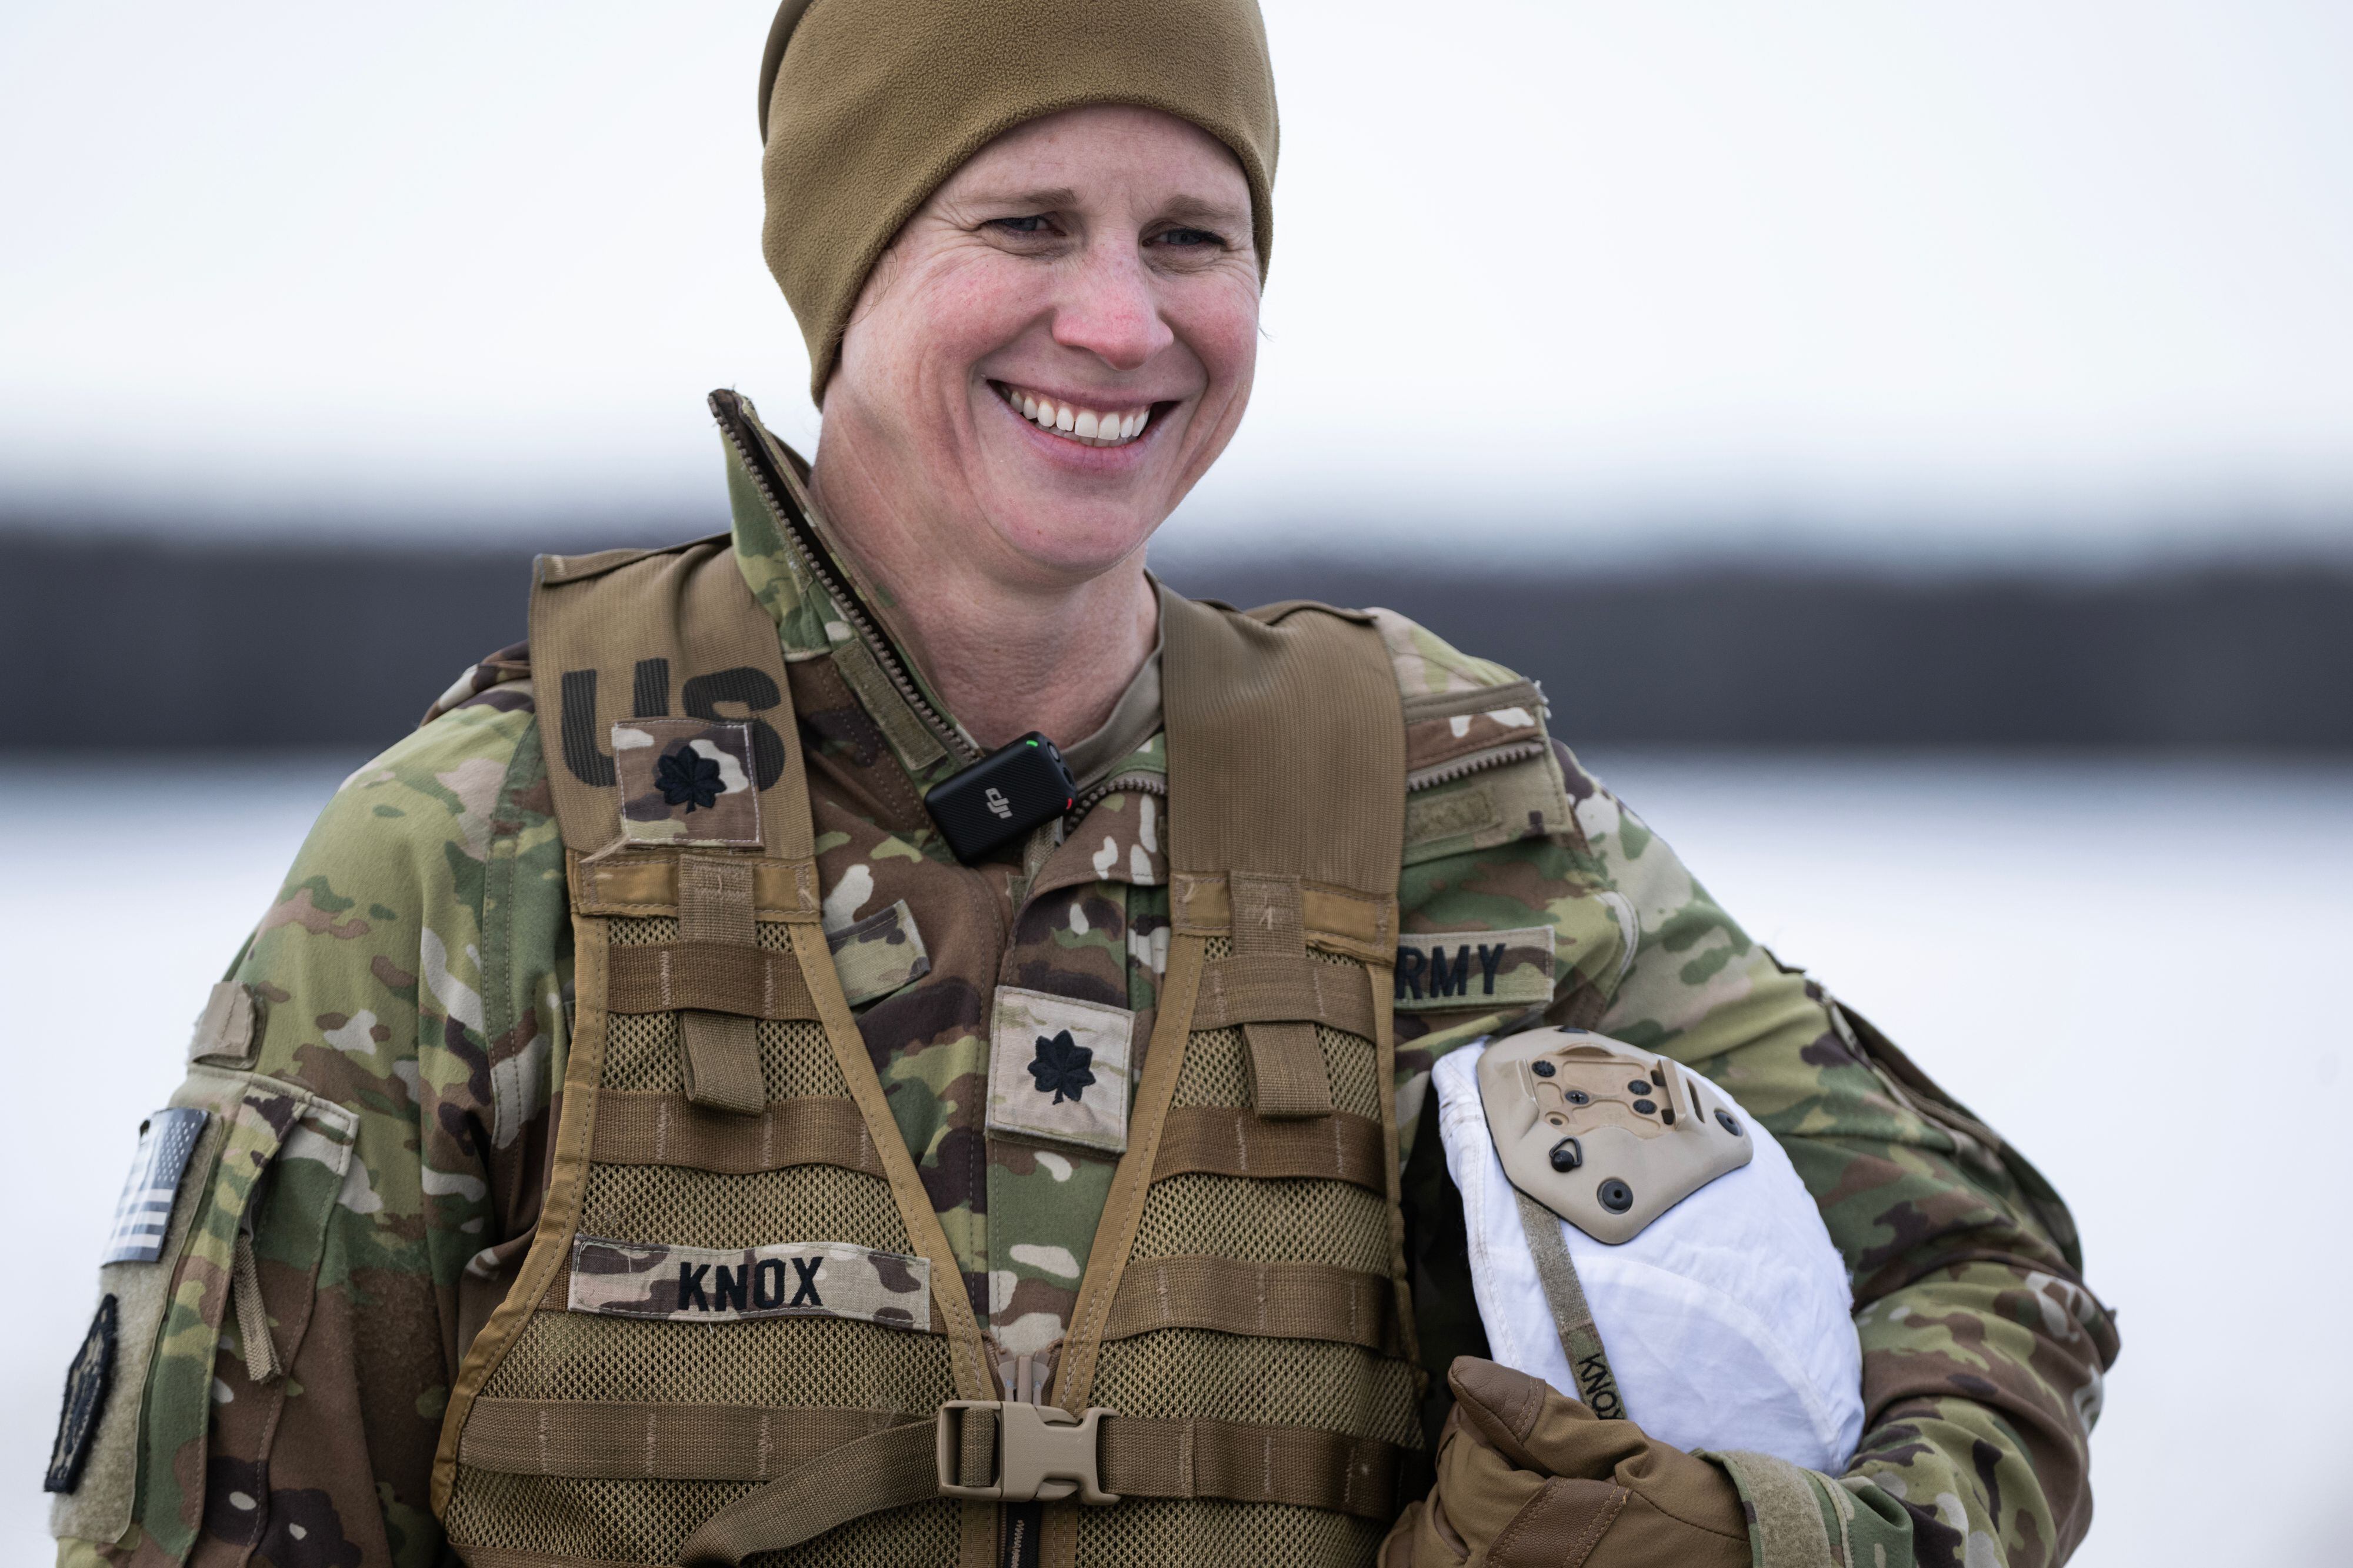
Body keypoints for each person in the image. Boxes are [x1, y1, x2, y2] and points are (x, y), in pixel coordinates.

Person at [48, 3, 2115, 1566]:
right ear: (847, 269)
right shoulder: (488, 847)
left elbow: (1985, 1280)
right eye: (1025, 220)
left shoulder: (1436, 804)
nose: (1121, 320)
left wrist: (1761, 1538)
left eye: (1192, 235)